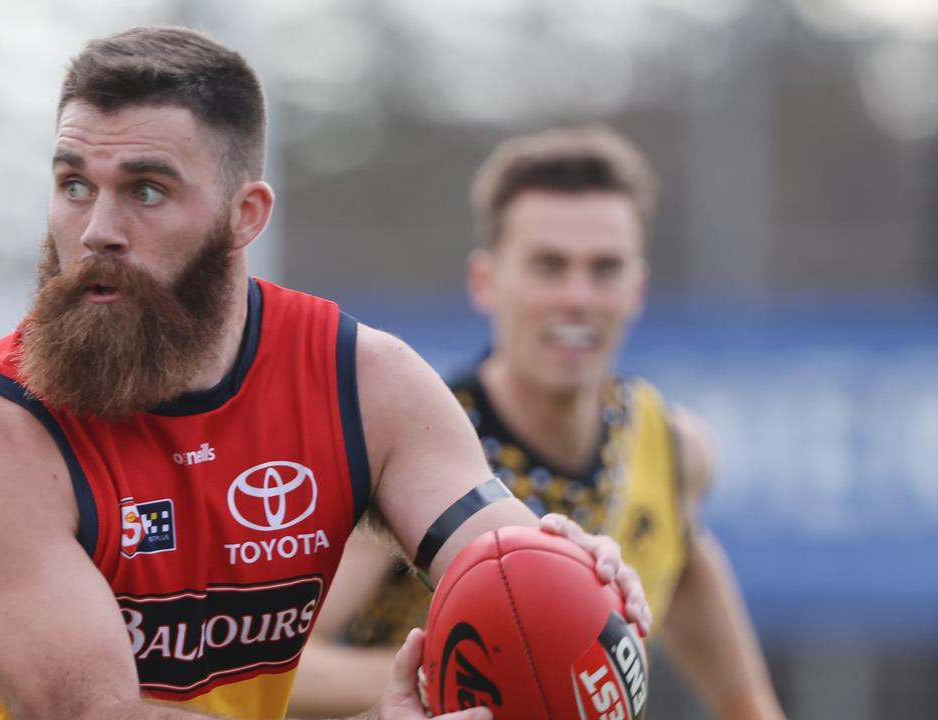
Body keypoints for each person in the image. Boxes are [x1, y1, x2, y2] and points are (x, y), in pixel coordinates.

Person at [0, 27, 651, 720]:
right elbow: (97, 714)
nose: (98, 229)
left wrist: (577, 583)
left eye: (145, 191)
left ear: (246, 216)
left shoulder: (364, 382)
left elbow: (503, 571)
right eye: (74, 185)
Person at [290, 126, 786, 720]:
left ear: (636, 289)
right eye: (548, 266)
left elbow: (692, 579)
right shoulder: (416, 455)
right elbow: (286, 668)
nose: (577, 297)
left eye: (604, 269)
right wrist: (488, 672)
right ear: (486, 281)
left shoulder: (673, 448)